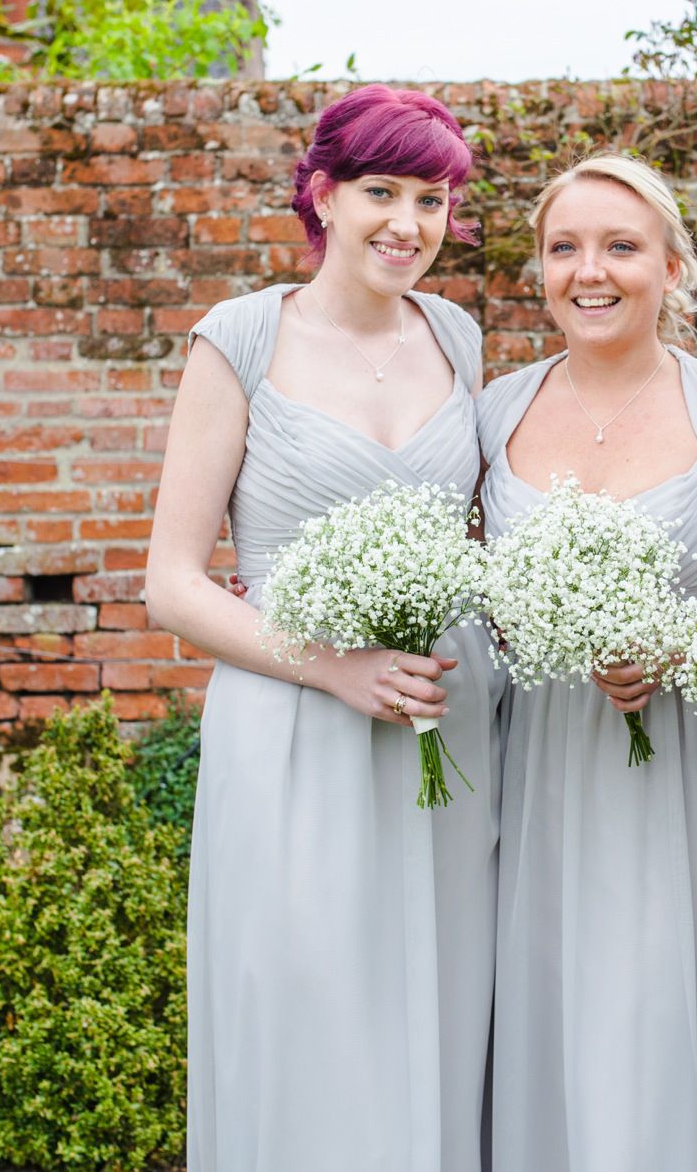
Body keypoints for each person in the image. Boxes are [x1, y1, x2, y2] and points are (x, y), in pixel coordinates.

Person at [144, 85, 501, 1172]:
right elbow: (171, 583)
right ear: (321, 194)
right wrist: (331, 670)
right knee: (304, 1004)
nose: (408, 223)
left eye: (432, 200)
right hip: (295, 725)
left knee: (441, 1000)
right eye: (381, 192)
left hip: (447, 721)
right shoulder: (242, 338)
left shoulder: (459, 336)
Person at [476, 154, 697, 1172]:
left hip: (682, 773)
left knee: (661, 1010)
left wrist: (676, 647)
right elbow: (468, 594)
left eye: (620, 246)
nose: (588, 271)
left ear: (672, 267)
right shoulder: (493, 412)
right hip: (540, 767)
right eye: (564, 248)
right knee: (545, 1000)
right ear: (540, 270)